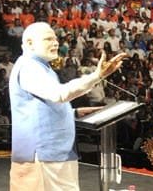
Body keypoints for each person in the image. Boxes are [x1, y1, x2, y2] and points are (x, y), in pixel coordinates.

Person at [9, 22, 127, 191]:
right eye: (48, 39)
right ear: (30, 43)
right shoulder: (29, 67)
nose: (56, 43)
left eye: (55, 39)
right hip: (43, 153)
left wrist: (73, 113)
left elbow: (42, 106)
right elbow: (59, 94)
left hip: (55, 152)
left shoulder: (41, 67)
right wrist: (97, 75)